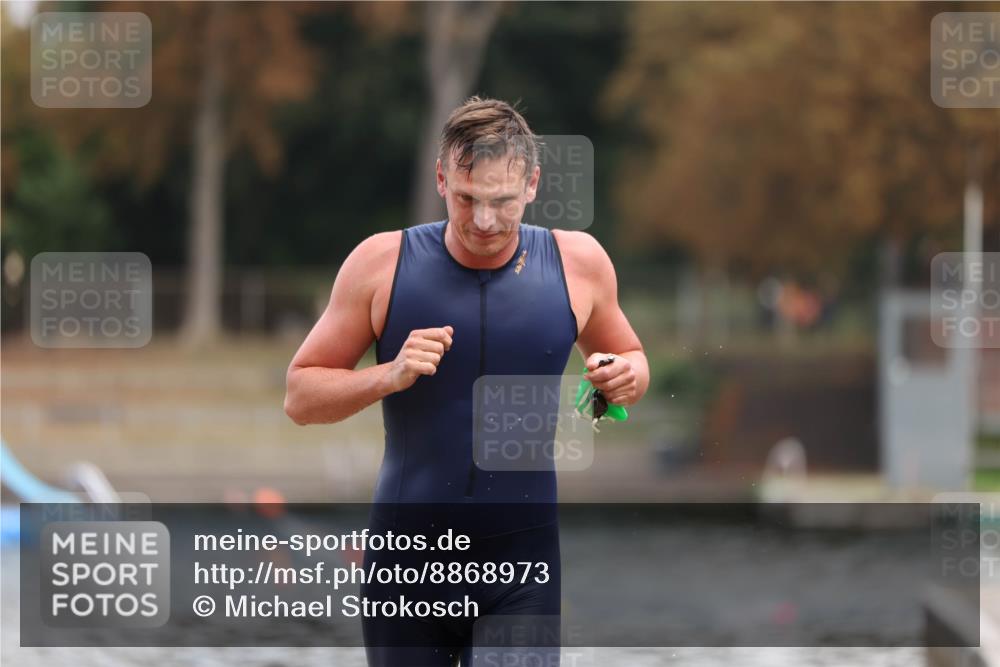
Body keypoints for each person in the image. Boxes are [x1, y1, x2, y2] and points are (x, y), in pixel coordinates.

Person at [284, 96, 649, 666]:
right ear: (440, 179)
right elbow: (301, 396)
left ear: (532, 184)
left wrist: (624, 377)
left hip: (520, 571)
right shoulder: (382, 263)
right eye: (466, 198)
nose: (484, 221)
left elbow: (629, 356)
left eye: (503, 202)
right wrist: (389, 374)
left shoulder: (578, 263)